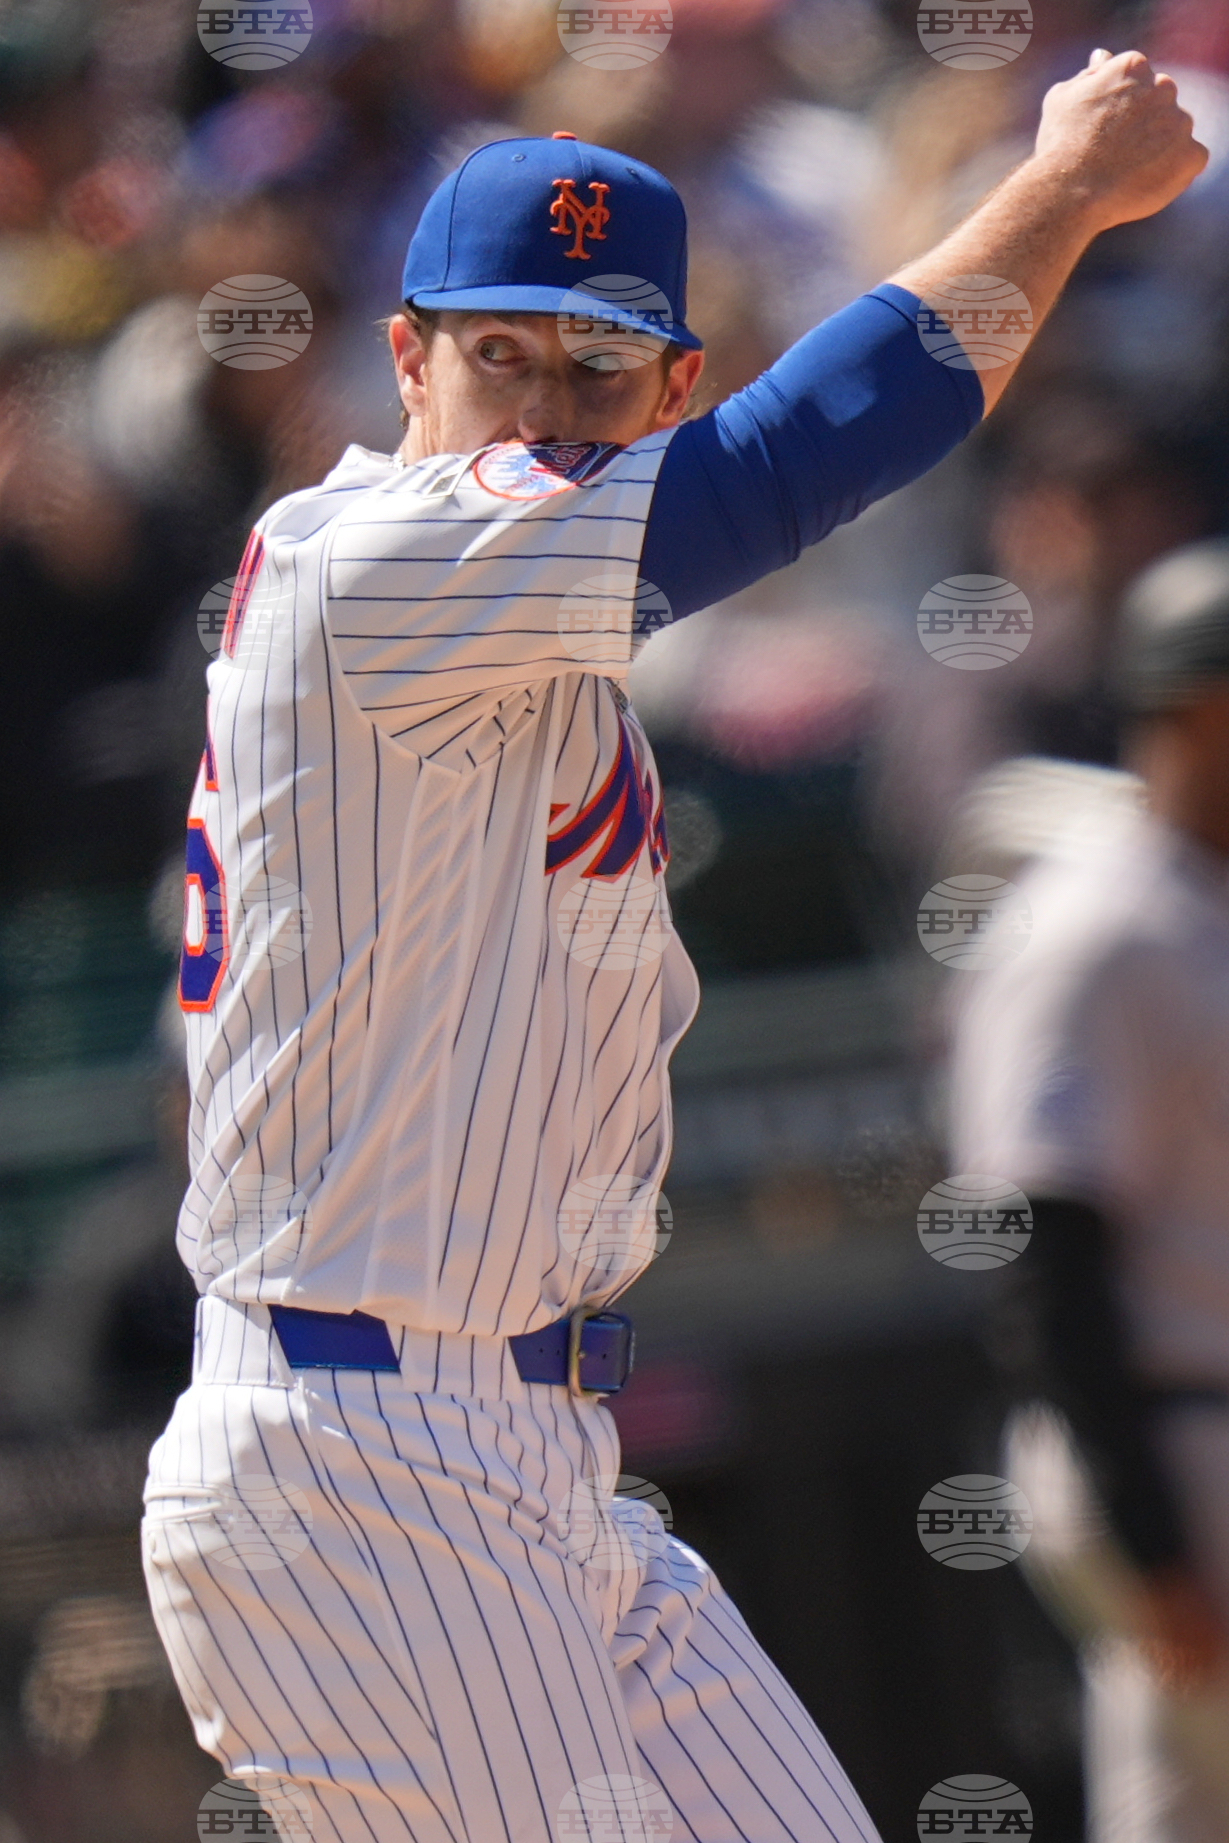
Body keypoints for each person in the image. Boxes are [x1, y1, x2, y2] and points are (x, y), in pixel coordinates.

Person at [141, 51, 1204, 1843]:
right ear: (406, 358)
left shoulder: (524, 657)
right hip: (356, 1461)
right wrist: (1064, 192)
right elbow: (789, 464)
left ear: (665, 382)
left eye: (596, 368)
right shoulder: (373, 564)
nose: (545, 404)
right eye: (501, 355)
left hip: (529, 1457)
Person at [951, 541, 1229, 1840]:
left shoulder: (1195, 903)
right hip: (1167, 1444)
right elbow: (1038, 1253)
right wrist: (1150, 1543)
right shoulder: (1088, 925)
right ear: (1190, 709)